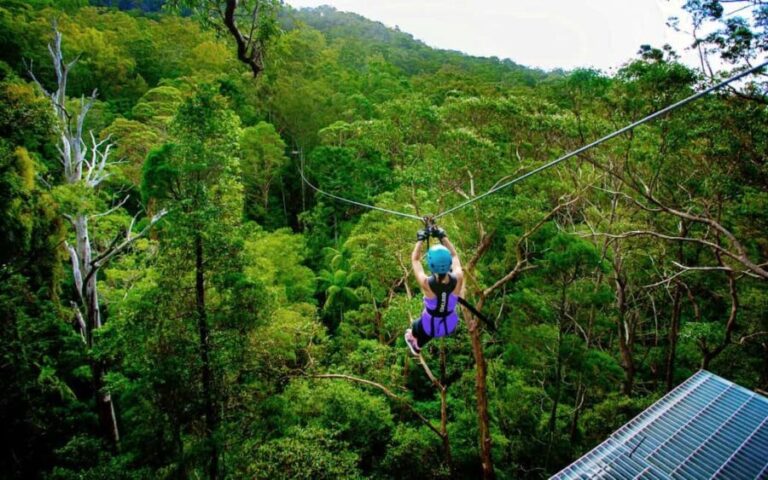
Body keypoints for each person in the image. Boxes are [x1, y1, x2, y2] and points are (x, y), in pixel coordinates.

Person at [404, 226, 464, 355]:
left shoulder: (427, 283)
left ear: (431, 265)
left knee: (416, 326)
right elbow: (454, 255)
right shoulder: (458, 277)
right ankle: (418, 345)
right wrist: (442, 236)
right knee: (430, 327)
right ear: (449, 263)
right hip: (449, 324)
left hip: (430, 325)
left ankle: (416, 343)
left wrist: (420, 239)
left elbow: (415, 260)